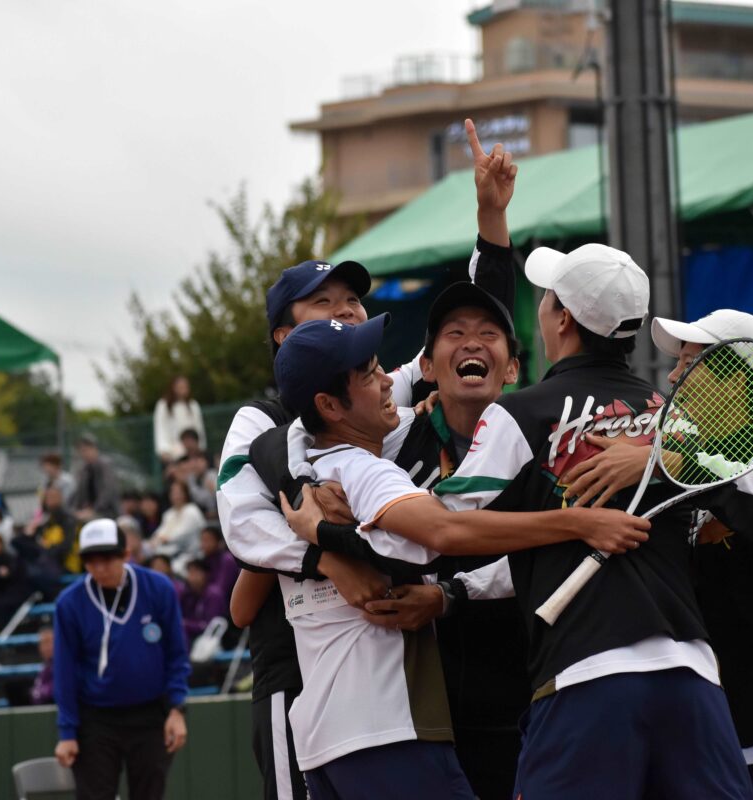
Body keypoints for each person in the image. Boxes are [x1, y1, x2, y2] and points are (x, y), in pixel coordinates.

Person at [218, 119, 529, 800]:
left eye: (353, 301)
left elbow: (471, 340)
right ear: (283, 336)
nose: (346, 312)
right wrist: (327, 553)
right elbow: (242, 530)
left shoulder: (376, 397)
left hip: (390, 667)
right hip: (296, 665)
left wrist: (491, 219)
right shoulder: (262, 422)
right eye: (324, 304)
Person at [421, 243, 753, 799]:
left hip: (586, 678)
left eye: (547, 298)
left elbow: (440, 526)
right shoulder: (675, 421)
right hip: (693, 676)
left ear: (564, 319)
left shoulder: (518, 413)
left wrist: (338, 517)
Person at [270, 315, 646, 799]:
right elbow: (446, 531)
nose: (387, 381)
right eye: (368, 375)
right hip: (388, 730)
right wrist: (578, 523)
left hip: (323, 744)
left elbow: (244, 596)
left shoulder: (296, 477)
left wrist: (320, 539)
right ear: (327, 405)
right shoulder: (363, 471)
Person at [564, 309, 753, 799]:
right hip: (716, 746)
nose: (672, 377)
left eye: (688, 363)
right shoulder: (686, 479)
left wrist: (661, 461)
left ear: (736, 384)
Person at [53, 519, 190, 800]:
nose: (99, 568)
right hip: (96, 718)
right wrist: (67, 732)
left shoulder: (158, 588)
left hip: (151, 713)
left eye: (107, 559)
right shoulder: (70, 603)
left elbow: (176, 653)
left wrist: (177, 709)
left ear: (125, 554)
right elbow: (64, 671)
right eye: (91, 561)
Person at [154, 376, 205, 466]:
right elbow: (160, 429)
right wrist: (163, 450)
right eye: (181, 387)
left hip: (192, 453)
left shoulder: (193, 405)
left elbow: (199, 429)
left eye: (185, 387)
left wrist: (200, 448)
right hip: (172, 453)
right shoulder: (163, 405)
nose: (184, 390)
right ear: (174, 388)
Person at [69, 433, 120, 522]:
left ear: (94, 449)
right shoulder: (84, 469)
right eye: (81, 451)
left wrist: (94, 510)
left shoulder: (105, 466)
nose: (83, 454)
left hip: (107, 512)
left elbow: (108, 492)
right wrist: (74, 510)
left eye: (85, 450)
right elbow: (79, 494)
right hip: (88, 511)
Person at [151, 481, 205, 564]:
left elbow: (181, 534)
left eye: (179, 493)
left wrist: (163, 539)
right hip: (172, 553)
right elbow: (161, 531)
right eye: (173, 493)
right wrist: (155, 539)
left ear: (186, 494)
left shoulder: (192, 510)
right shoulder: (168, 514)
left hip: (192, 554)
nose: (176, 496)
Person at [178, 559, 225, 648]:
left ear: (206, 574)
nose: (192, 577)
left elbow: (211, 625)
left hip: (213, 640)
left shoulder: (214, 594)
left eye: (196, 572)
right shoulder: (188, 594)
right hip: (194, 636)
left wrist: (185, 624)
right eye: (190, 572)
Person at [198, 525, 238, 604]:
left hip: (227, 604)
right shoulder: (204, 560)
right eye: (202, 540)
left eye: (207, 540)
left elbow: (220, 591)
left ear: (219, 542)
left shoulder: (227, 560)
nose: (203, 544)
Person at [31, 627, 55, 705]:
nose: (46, 647)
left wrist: (41, 692)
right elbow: (35, 696)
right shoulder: (45, 667)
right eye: (43, 643)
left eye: (49, 642)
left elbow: (54, 691)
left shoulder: (62, 666)